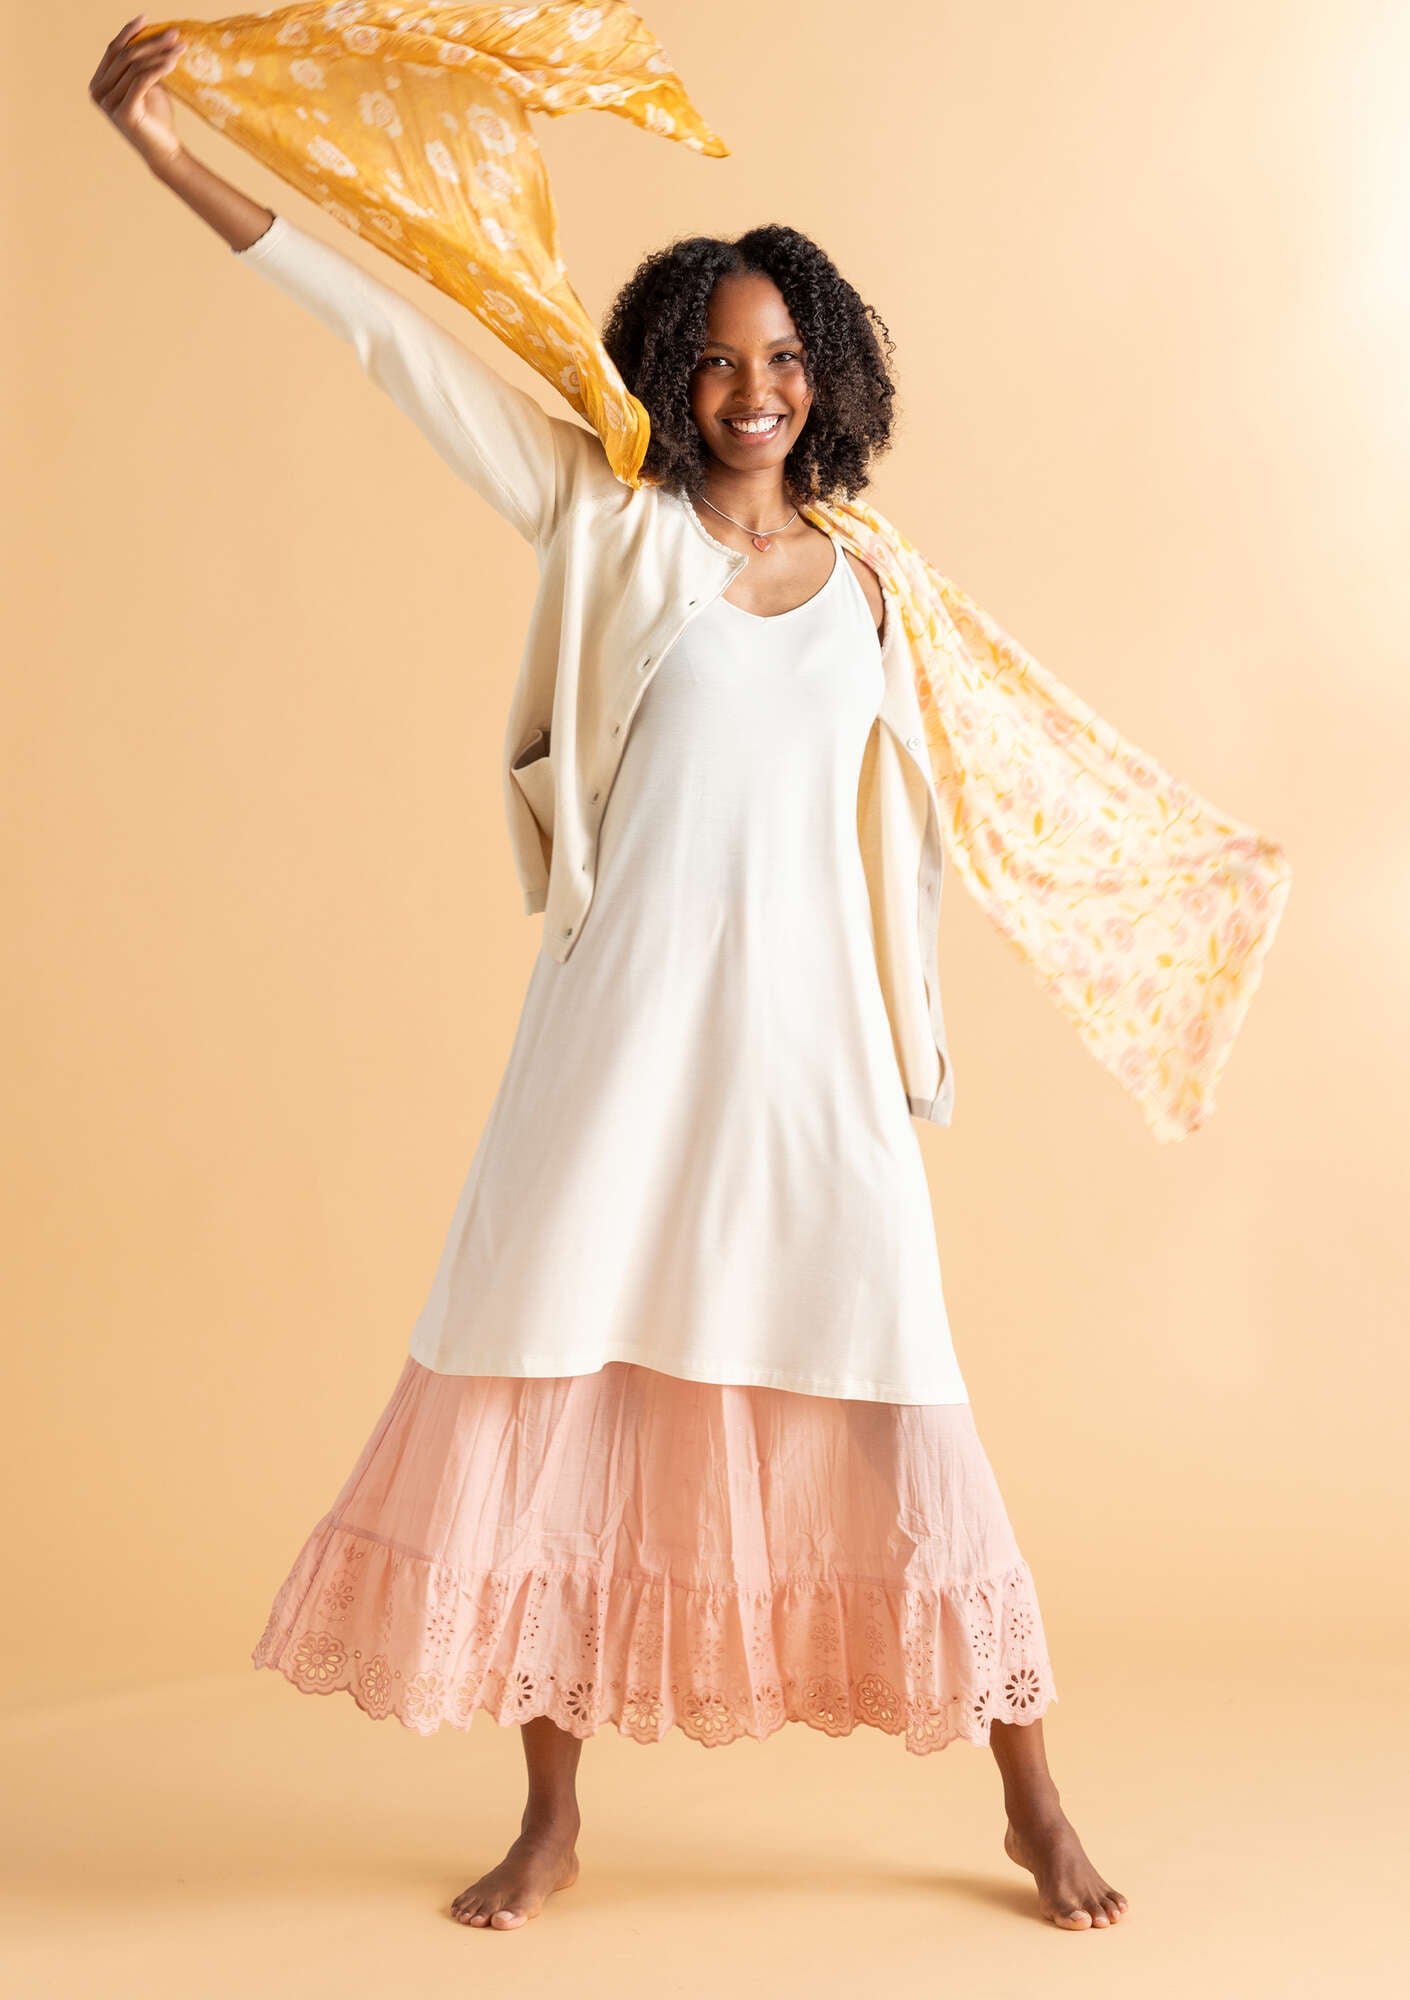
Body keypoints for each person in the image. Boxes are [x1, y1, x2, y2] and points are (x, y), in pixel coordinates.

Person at [91, 13, 1130, 1934]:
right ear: (671, 369)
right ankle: (552, 1820)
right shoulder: (609, 526)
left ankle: (1032, 1803)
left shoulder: (880, 587)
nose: (752, 390)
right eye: (719, 358)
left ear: (829, 380)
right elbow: (392, 337)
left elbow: (963, 811)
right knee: (555, 1378)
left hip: (811, 1059)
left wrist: (948, 1034)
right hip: (619, 1039)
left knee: (899, 1387)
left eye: (783, 359)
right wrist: (167, 152)